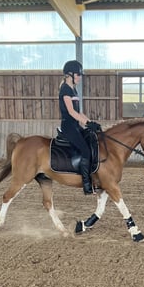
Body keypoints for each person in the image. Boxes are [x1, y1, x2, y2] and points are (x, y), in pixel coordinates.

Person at [59, 60, 94, 194]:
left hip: (76, 125)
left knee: (91, 140)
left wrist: (91, 122)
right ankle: (86, 183)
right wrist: (86, 123)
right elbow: (71, 112)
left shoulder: (74, 89)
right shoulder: (65, 90)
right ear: (70, 75)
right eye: (78, 74)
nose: (80, 77)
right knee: (85, 151)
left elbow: (79, 112)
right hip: (68, 127)